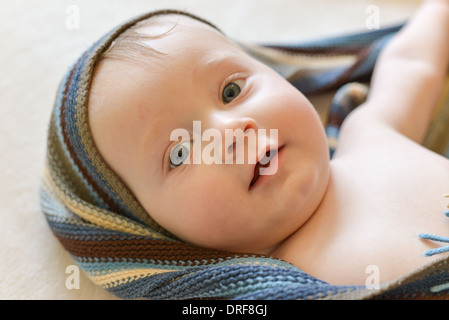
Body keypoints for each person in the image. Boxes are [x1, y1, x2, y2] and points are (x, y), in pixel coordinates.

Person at [45, 0, 449, 294]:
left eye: (232, 90)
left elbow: (411, 62)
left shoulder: (369, 132)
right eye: (179, 153)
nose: (229, 131)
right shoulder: (272, 290)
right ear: (154, 232)